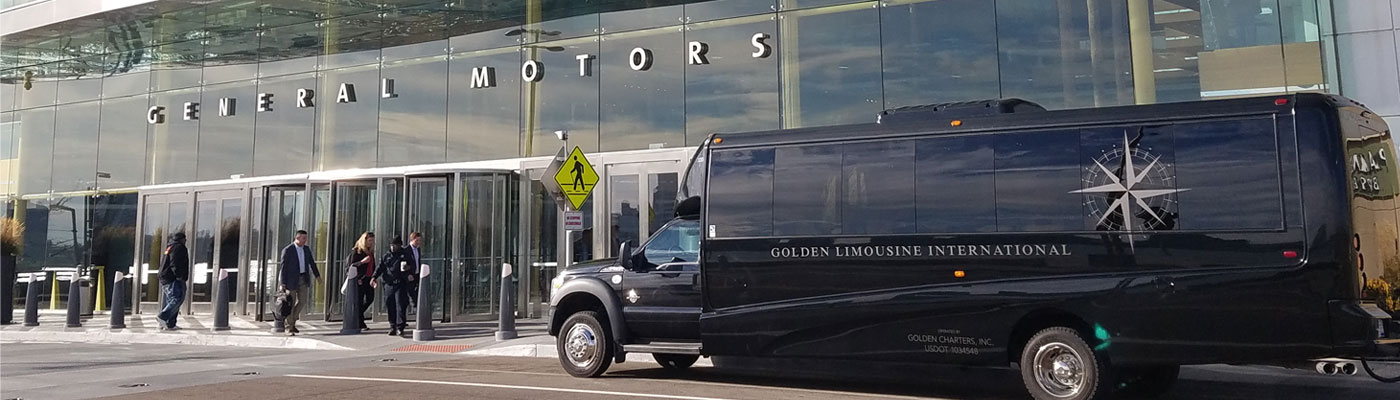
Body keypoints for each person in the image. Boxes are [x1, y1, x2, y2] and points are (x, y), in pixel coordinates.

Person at [279, 230, 321, 336]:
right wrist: (282, 282)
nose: (305, 240)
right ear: (297, 238)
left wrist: (317, 276)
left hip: (303, 278)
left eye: (305, 238)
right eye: (303, 238)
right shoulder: (288, 250)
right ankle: (289, 327)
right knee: (290, 303)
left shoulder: (306, 249)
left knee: (302, 301)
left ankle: (292, 320)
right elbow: (283, 267)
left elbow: (312, 263)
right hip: (290, 280)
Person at [375, 236, 412, 336]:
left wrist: (409, 270)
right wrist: (374, 277)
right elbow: (381, 267)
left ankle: (400, 327)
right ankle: (392, 326)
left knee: (400, 305)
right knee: (390, 305)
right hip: (388, 284)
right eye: (391, 245)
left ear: (400, 245)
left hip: (400, 283)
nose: (393, 247)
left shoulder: (405, 254)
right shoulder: (386, 256)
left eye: (395, 245)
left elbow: (412, 265)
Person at [156, 231, 189, 331]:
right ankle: (163, 317)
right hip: (172, 278)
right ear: (182, 239)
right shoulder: (178, 247)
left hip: (165, 277)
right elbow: (174, 262)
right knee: (177, 298)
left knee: (171, 300)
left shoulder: (170, 246)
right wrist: (179, 275)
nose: (185, 241)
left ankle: (170, 324)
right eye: (185, 239)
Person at [345, 232, 375, 331]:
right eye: (369, 240)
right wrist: (362, 262)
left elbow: (372, 266)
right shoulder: (357, 252)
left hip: (368, 278)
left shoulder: (370, 252)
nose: (371, 243)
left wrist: (374, 277)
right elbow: (351, 266)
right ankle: (360, 322)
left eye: (372, 241)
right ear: (364, 240)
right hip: (360, 279)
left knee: (370, 298)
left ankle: (358, 315)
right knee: (360, 300)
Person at [404, 232, 423, 310]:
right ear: (412, 240)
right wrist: (408, 274)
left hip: (417, 274)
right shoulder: (406, 250)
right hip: (410, 275)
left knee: (418, 292)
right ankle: (415, 309)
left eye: (419, 240)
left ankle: (416, 308)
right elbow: (404, 264)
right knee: (412, 294)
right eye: (417, 240)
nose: (418, 242)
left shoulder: (418, 249)